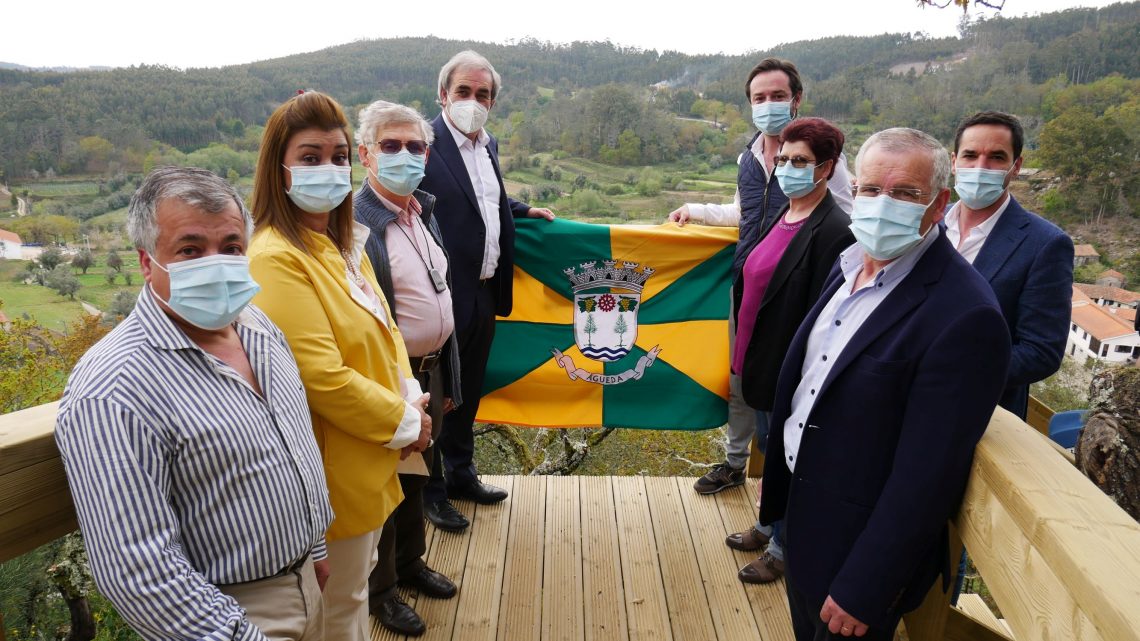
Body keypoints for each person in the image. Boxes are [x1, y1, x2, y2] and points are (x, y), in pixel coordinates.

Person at [55, 166, 333, 641]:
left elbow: (296, 447)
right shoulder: (115, 387)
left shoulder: (259, 328)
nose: (216, 263)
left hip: (306, 581)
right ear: (147, 262)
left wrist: (315, 550)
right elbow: (138, 568)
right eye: (190, 250)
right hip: (225, 614)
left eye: (231, 247)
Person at [758, 128, 1011, 640]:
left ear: (938, 204)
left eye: (905, 193)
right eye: (872, 189)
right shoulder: (849, 263)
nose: (882, 204)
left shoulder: (966, 315)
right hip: (803, 520)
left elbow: (928, 476)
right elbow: (816, 380)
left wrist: (867, 585)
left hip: (855, 553)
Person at [247, 90, 431, 641]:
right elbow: (320, 377)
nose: (328, 168)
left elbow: (387, 331)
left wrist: (409, 396)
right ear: (278, 169)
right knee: (335, 614)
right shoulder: (275, 257)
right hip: (333, 478)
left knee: (351, 598)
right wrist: (407, 423)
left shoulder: (339, 243)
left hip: (369, 460)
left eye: (338, 156)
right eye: (310, 157)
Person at [668, 58, 854, 495]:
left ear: (796, 99)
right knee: (741, 378)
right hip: (748, 283)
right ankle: (735, 464)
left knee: (785, 387)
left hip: (797, 293)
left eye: (777, 95)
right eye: (759, 97)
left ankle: (782, 494)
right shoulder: (748, 156)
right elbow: (743, 212)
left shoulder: (821, 158)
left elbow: (845, 223)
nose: (768, 104)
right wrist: (694, 210)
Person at [418, 50, 555, 530]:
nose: (472, 102)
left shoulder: (487, 143)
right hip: (438, 294)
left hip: (482, 290)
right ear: (443, 94)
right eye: (463, 91)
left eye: (482, 94)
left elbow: (482, 197)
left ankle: (461, 474)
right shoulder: (422, 143)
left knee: (468, 391)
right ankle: (431, 491)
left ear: (493, 101)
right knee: (435, 395)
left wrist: (522, 210)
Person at [725, 118, 854, 586]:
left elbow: (824, 316)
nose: (786, 168)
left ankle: (782, 549)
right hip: (758, 360)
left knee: (789, 458)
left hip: (790, 371)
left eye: (800, 161)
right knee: (769, 447)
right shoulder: (785, 212)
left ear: (827, 167)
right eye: (782, 159)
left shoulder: (835, 230)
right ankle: (767, 525)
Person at [353, 99, 460, 636]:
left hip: (430, 370)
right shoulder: (354, 225)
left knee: (419, 475)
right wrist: (398, 390)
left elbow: (442, 298)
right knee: (386, 484)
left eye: (415, 146)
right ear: (365, 154)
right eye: (391, 145)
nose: (404, 155)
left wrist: (447, 379)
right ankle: (381, 591)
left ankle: (411, 564)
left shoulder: (423, 212)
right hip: (390, 379)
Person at [948, 110, 1074, 420]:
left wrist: (948, 371)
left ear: (1015, 166)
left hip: (981, 416)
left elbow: (1041, 351)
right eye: (970, 155)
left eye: (996, 157)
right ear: (954, 161)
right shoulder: (930, 224)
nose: (980, 167)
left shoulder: (1045, 244)